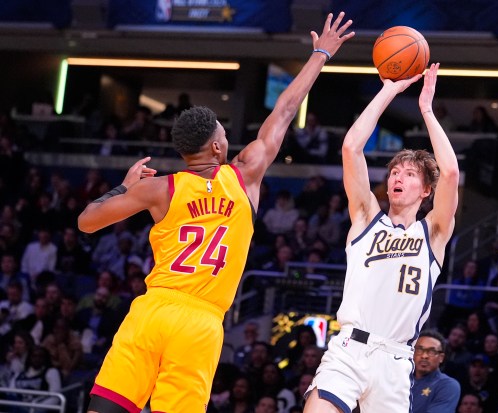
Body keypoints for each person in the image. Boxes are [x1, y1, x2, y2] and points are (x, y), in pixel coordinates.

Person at [77, 12, 355, 413]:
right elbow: (284, 111)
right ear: (218, 149)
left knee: (107, 408)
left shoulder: (160, 188)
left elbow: (87, 222)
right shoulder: (244, 175)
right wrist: (321, 54)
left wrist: (124, 184)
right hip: (201, 322)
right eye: (224, 134)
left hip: (154, 308)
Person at [304, 63, 460, 413]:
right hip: (348, 349)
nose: (397, 177)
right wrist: (390, 90)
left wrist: (426, 110)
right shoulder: (365, 219)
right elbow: (350, 148)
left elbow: (450, 172)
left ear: (426, 191)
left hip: (395, 359)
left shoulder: (433, 232)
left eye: (408, 173)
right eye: (393, 171)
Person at [411, 330, 461, 413]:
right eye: (419, 350)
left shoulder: (447, 385)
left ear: (441, 357)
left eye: (431, 352)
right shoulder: (401, 379)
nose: (424, 356)